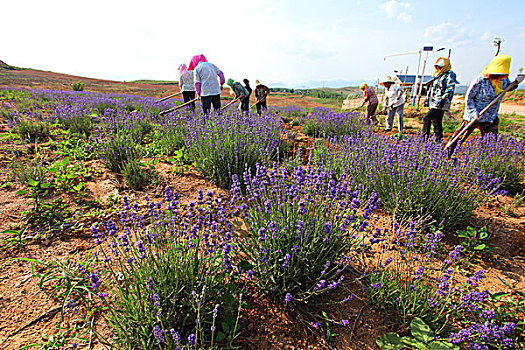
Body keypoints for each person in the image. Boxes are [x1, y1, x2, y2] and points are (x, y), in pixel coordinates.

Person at [449, 54, 521, 154]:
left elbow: (507, 88)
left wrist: (515, 84)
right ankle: (447, 153)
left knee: (490, 142)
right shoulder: (480, 81)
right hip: (475, 115)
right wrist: (474, 113)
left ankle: (486, 159)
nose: (498, 76)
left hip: (490, 116)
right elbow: (469, 98)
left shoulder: (503, 80)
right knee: (459, 137)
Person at [422, 57, 458, 141]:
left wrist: (444, 99)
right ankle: (438, 140)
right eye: (437, 67)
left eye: (440, 67)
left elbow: (450, 88)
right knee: (436, 121)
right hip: (433, 101)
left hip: (441, 101)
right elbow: (432, 88)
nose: (438, 68)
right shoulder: (437, 75)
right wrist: (427, 99)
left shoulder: (450, 74)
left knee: (427, 118)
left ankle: (424, 139)